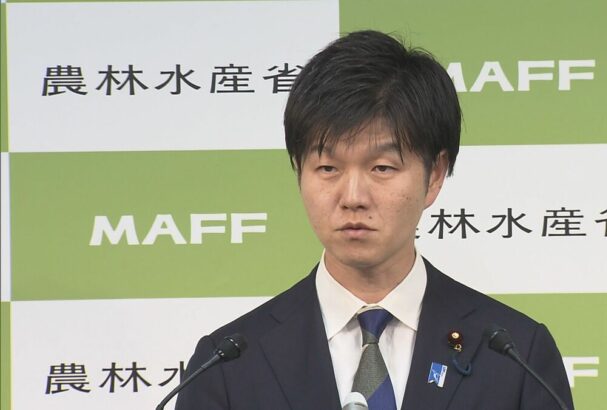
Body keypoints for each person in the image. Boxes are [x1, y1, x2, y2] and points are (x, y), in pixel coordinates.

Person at [175, 30, 573, 410]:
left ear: (434, 175)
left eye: (382, 167)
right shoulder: (229, 365)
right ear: (298, 170)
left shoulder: (514, 356)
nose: (352, 197)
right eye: (328, 168)